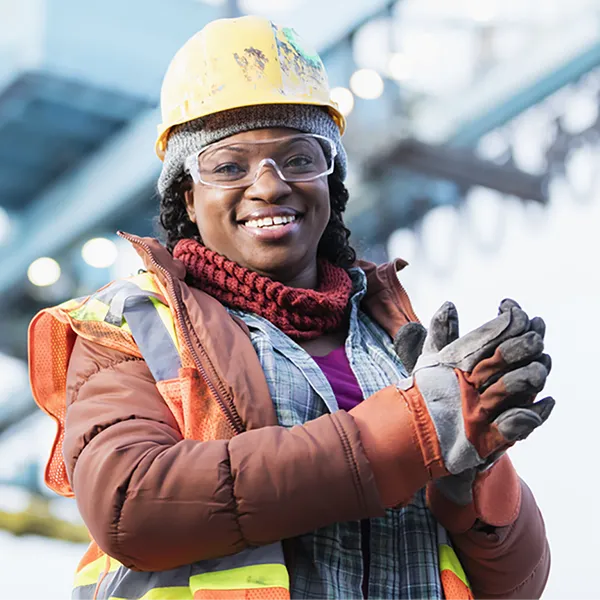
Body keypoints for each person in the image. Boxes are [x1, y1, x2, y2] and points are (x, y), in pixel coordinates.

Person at [29, 15, 554, 600]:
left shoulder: (392, 340)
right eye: (229, 167)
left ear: (332, 181)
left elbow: (515, 586)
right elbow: (132, 504)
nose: (271, 185)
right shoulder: (134, 324)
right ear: (188, 198)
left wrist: (474, 478)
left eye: (300, 158)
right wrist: (412, 432)